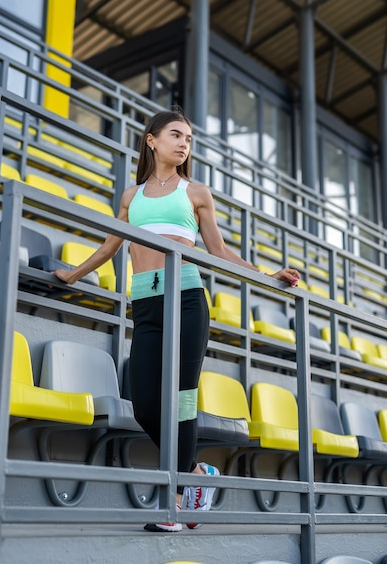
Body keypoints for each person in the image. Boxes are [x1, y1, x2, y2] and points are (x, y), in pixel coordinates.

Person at [53, 109, 300, 533]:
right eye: (175, 135)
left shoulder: (196, 192)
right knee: (144, 399)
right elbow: (111, 246)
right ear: (151, 140)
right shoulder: (132, 196)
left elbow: (219, 252)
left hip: (187, 300)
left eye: (188, 138)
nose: (184, 144)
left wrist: (268, 275)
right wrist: (69, 275)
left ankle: (177, 502)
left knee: (182, 400)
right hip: (146, 304)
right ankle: (196, 474)